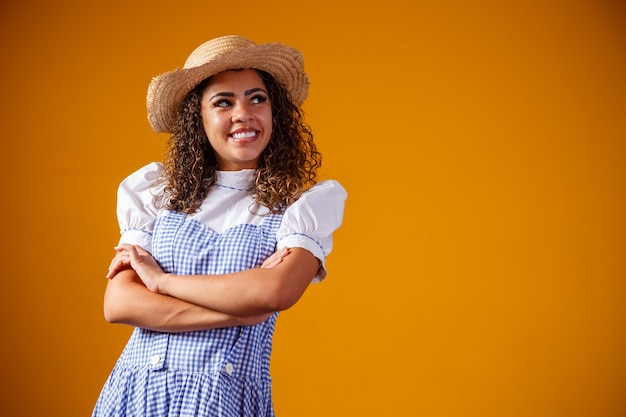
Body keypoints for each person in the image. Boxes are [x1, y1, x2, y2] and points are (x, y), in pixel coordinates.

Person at [92, 35, 347, 417]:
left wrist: (160, 283)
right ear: (199, 116)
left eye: (256, 98)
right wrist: (237, 311)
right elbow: (120, 302)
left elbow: (275, 291)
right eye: (223, 102)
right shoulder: (157, 193)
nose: (243, 113)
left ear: (274, 110)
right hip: (136, 393)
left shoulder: (301, 206)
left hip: (225, 400)